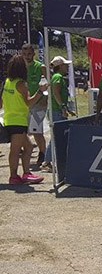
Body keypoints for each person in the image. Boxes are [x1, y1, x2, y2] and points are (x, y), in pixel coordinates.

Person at [1, 55, 46, 185]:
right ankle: (14, 176)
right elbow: (28, 103)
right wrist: (40, 92)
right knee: (15, 150)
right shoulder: (21, 84)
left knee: (29, 146)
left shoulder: (6, 82)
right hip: (18, 121)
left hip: (8, 119)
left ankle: (26, 173)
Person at [21, 43, 48, 166]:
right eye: (24, 54)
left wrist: (45, 98)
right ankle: (27, 149)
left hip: (39, 103)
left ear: (33, 54)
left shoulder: (40, 67)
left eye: (29, 54)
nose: (27, 56)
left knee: (36, 130)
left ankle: (42, 153)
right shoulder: (21, 68)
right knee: (23, 130)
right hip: (25, 103)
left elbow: (47, 83)